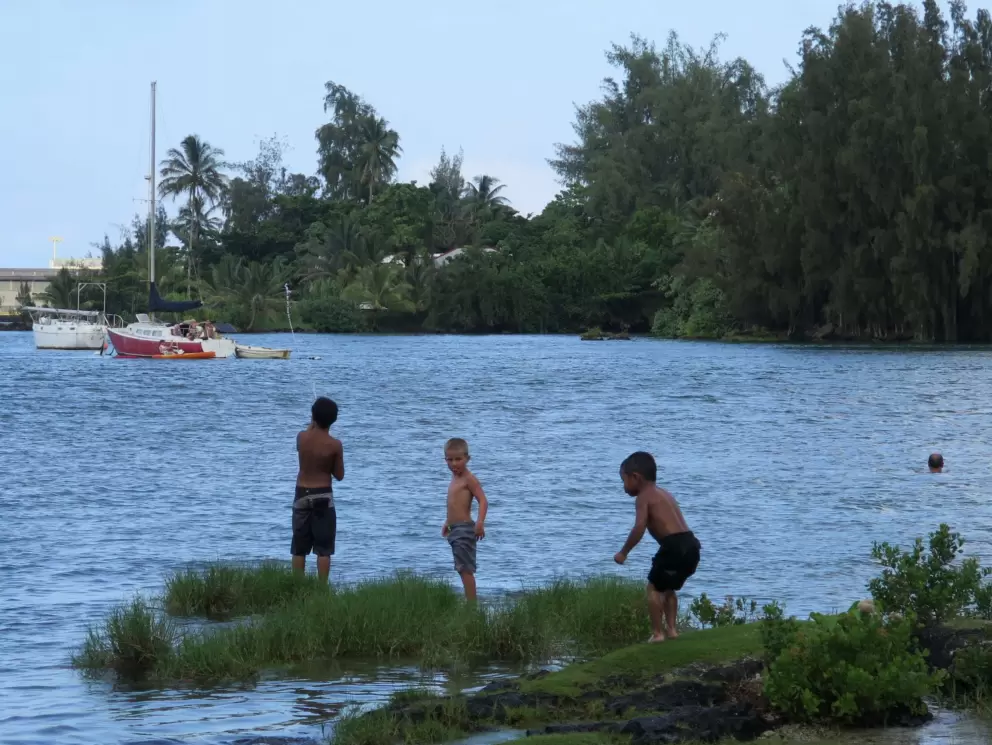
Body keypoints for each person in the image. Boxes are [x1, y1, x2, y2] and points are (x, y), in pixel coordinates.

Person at [614, 451, 700, 643]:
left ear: (635, 477)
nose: (623, 486)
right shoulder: (664, 493)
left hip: (674, 546)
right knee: (668, 589)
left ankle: (657, 633)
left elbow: (639, 528)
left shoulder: (644, 497)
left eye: (623, 480)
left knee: (653, 588)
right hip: (692, 546)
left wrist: (623, 552)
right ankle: (672, 630)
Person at [293, 397, 344, 582]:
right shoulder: (335, 444)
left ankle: (297, 584)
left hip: (301, 494)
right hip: (323, 494)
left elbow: (304, 444)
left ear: (313, 416)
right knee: (323, 549)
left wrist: (311, 425)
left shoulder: (301, 437)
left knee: (299, 547)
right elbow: (339, 475)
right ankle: (322, 589)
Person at [442, 438, 488, 601]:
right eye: (450, 459)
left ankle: (472, 605)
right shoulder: (454, 479)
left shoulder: (469, 479)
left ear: (467, 459)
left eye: (458, 459)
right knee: (461, 568)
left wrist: (480, 522)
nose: (454, 464)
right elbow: (454, 504)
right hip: (455, 529)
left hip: (464, 529)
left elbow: (482, 500)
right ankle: (470, 602)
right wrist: (448, 522)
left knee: (465, 569)